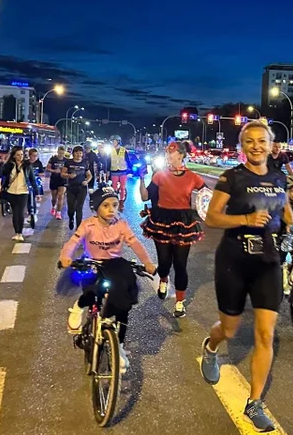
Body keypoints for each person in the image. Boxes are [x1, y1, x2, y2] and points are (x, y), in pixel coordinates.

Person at [200, 120, 293, 432]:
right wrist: (245, 217)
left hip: (268, 262)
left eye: (263, 141)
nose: (257, 146)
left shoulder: (278, 178)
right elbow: (212, 216)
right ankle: (211, 347)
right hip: (234, 261)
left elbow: (285, 211)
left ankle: (254, 403)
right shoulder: (232, 177)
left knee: (265, 334)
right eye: (250, 142)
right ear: (242, 147)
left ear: (272, 145)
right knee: (229, 330)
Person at [59, 185, 156, 373]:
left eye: (115, 204)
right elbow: (73, 241)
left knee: (124, 302)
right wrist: (65, 256)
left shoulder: (121, 224)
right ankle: (78, 308)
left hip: (115, 264)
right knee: (91, 292)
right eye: (106, 205)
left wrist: (148, 262)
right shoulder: (88, 224)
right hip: (92, 262)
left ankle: (118, 346)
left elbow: (135, 243)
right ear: (96, 207)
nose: (111, 209)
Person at [139, 141, 206, 317]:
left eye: (171, 153)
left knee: (180, 264)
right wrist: (140, 177)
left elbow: (207, 196)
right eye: (167, 153)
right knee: (164, 261)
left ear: (181, 155)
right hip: (161, 220)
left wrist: (207, 208)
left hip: (183, 223)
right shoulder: (160, 175)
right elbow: (145, 196)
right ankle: (163, 279)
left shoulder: (193, 177)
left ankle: (179, 302)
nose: (168, 156)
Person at [0, 145, 43, 242]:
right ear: (14, 156)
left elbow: (32, 180)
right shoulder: (9, 165)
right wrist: (2, 163)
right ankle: (16, 233)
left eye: (22, 155)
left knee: (20, 212)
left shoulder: (27, 166)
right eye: (18, 155)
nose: (20, 157)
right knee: (15, 213)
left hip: (23, 192)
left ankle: (20, 233)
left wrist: (37, 193)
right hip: (11, 192)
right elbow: (1, 175)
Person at [63, 145, 92, 227]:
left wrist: (86, 181)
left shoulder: (85, 163)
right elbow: (62, 174)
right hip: (71, 188)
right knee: (71, 208)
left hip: (81, 188)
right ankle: (71, 219)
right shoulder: (68, 162)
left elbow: (89, 175)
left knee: (79, 208)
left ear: (82, 154)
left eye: (80, 153)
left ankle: (78, 228)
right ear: (73, 153)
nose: (79, 155)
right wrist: (68, 176)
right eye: (77, 153)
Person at [48, 145, 69, 218]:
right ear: (57, 152)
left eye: (62, 153)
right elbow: (48, 168)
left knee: (61, 196)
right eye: (60, 153)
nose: (61, 155)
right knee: (54, 198)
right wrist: (54, 171)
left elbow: (69, 170)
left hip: (63, 180)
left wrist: (66, 174)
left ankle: (59, 213)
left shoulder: (66, 160)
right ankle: (53, 207)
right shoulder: (53, 159)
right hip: (54, 179)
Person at [109, 135, 130, 208]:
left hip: (123, 171)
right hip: (114, 171)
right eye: (112, 141)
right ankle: (114, 200)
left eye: (114, 141)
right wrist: (107, 170)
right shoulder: (110, 150)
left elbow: (127, 160)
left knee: (122, 187)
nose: (112, 143)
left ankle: (121, 201)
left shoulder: (123, 150)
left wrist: (130, 168)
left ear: (118, 142)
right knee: (114, 188)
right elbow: (108, 161)